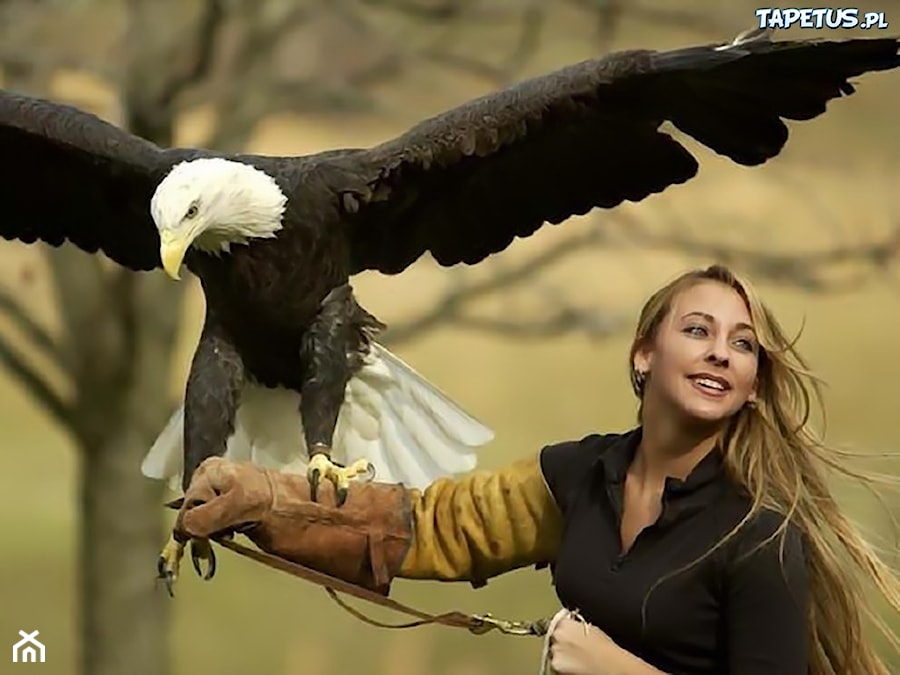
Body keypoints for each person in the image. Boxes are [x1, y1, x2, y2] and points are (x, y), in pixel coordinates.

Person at [171, 264, 900, 675]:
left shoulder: (758, 539)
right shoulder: (583, 473)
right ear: (644, 354)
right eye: (698, 330)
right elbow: (433, 526)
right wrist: (266, 496)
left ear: (751, 380)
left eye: (742, 345)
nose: (721, 352)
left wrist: (611, 668)